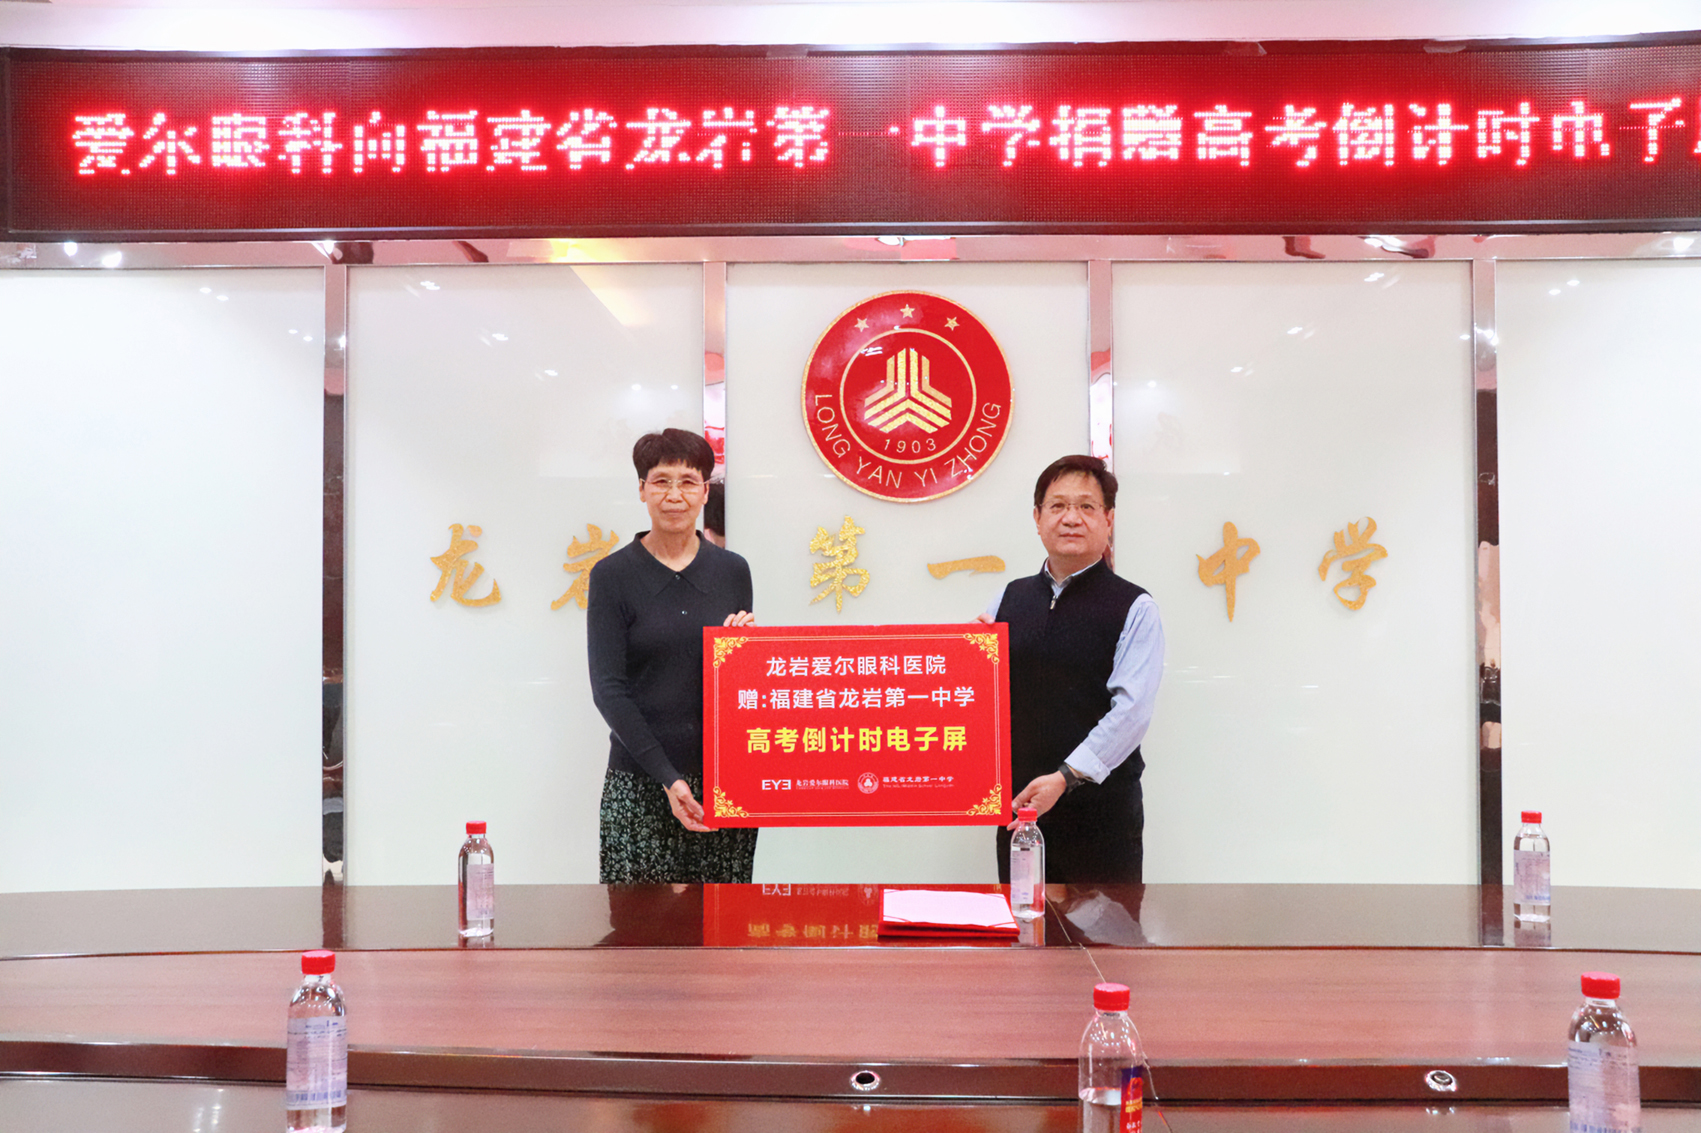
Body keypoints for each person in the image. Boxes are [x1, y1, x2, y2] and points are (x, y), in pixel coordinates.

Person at [976, 455, 1164, 883]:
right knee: (1023, 918)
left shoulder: (1134, 606)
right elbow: (983, 701)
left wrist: (1064, 777)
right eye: (1058, 506)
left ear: (1108, 519)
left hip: (1101, 813)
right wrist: (965, 660)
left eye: (1086, 506)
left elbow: (1131, 712)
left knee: (1106, 925)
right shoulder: (1007, 599)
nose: (1071, 518)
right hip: (1020, 810)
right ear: (1038, 518)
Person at [587, 428, 758, 883]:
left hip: (723, 783)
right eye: (661, 481)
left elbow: (737, 686)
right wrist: (668, 777)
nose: (675, 495)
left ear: (705, 491)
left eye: (688, 481)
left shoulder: (733, 571)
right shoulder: (612, 575)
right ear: (642, 490)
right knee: (638, 922)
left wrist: (745, 655)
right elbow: (609, 690)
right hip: (641, 780)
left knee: (721, 920)